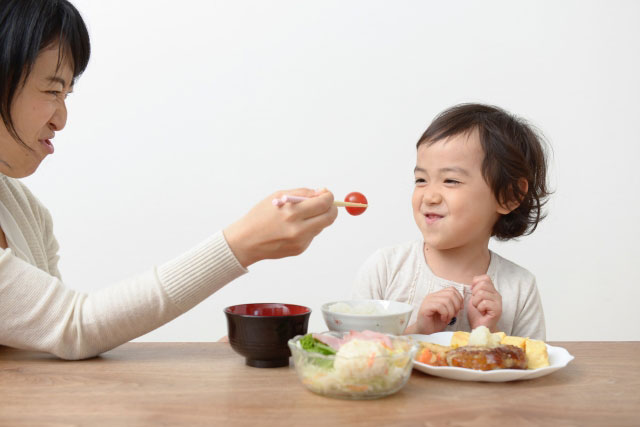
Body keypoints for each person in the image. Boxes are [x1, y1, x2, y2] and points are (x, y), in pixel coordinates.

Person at [0, 0, 338, 359]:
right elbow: (74, 326)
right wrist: (242, 243)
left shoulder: (27, 212)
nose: (61, 118)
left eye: (66, 94)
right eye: (53, 90)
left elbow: (52, 344)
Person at [353, 103, 550, 339]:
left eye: (451, 181)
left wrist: (488, 333)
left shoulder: (519, 288)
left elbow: (533, 367)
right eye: (421, 180)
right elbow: (354, 352)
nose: (430, 196)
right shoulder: (386, 268)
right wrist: (419, 331)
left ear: (509, 196)